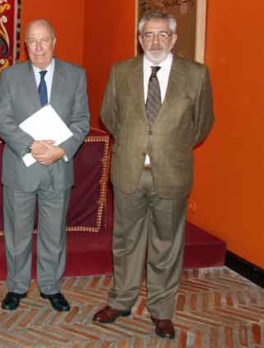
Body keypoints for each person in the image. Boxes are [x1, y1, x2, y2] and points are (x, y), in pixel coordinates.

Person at [93, 11, 214, 339]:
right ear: (140, 38)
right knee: (125, 242)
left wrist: (168, 146)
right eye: (148, 35)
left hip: (171, 173)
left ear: (173, 39)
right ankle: (121, 301)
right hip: (129, 170)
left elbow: (202, 124)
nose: (155, 41)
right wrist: (138, 143)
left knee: (166, 245)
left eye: (162, 35)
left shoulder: (196, 75)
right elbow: (109, 116)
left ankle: (162, 312)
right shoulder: (121, 72)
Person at [0, 19, 89, 312]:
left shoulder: (76, 75)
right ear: (25, 45)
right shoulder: (9, 76)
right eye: (31, 41)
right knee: (18, 235)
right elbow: (1, 119)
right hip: (22, 167)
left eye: (43, 40)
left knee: (53, 233)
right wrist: (30, 145)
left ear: (54, 41)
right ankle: (17, 287)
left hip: (58, 167)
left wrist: (62, 150)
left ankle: (51, 287)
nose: (37, 47)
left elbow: (82, 120)